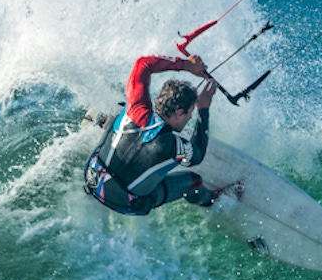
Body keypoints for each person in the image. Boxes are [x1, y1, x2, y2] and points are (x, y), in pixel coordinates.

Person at [84, 53, 228, 215]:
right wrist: (203, 110)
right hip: (125, 203)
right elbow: (197, 155)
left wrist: (186, 65)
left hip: (91, 177)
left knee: (122, 115)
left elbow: (143, 63)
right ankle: (211, 200)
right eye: (190, 113)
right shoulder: (174, 146)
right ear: (179, 113)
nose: (189, 118)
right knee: (194, 181)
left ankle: (103, 121)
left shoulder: (136, 107)